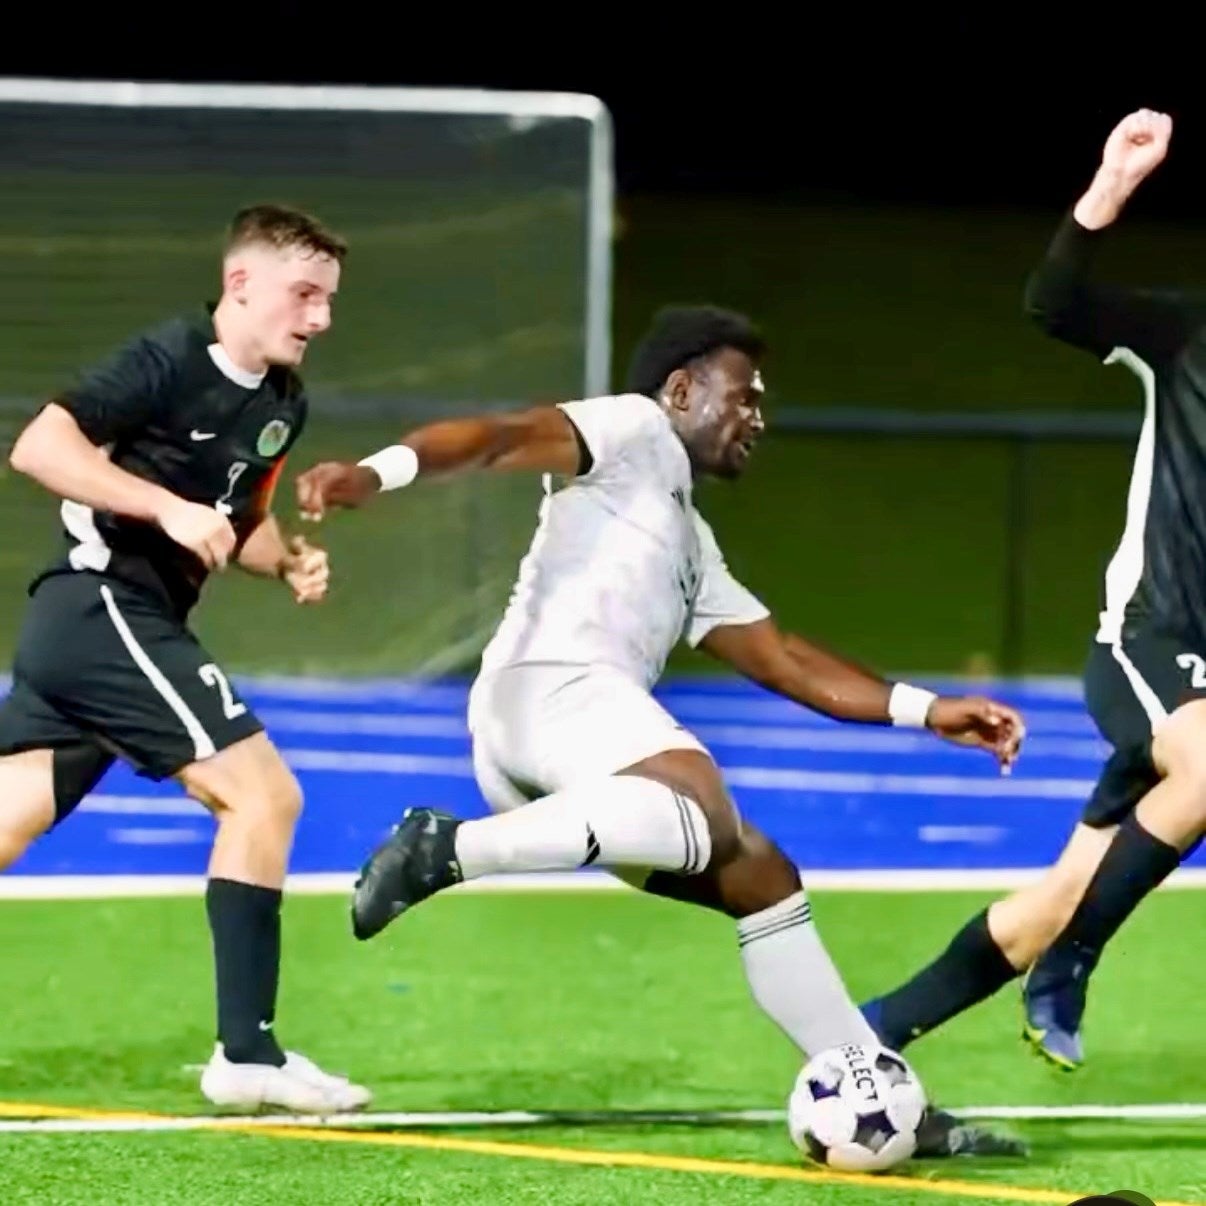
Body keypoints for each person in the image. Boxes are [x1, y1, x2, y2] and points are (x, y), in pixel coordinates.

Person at [295, 304, 1027, 1156]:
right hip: (549, 694)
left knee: (761, 875)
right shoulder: (633, 427)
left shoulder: (688, 539)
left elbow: (782, 659)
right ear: (681, 389)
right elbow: (498, 437)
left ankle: (879, 1095)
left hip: (553, 742)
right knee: (701, 800)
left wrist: (927, 709)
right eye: (743, 396)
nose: (757, 416)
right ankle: (445, 850)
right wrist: (373, 475)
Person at [0, 203, 371, 1113]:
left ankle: (249, 1053)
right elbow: (39, 446)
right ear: (240, 284)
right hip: (102, 606)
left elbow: (236, 527)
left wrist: (285, 560)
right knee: (264, 795)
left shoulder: (283, 402)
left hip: (102, 626)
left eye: (328, 300)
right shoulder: (167, 357)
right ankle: (247, 1054)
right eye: (304, 295)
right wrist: (162, 508)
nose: (319, 317)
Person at [859, 108, 1206, 1072]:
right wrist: (1112, 185)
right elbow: (1054, 304)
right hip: (1150, 638)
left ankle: (861, 1039)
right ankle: (1072, 968)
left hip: (1202, 697)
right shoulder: (1185, 337)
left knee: (1050, 904)